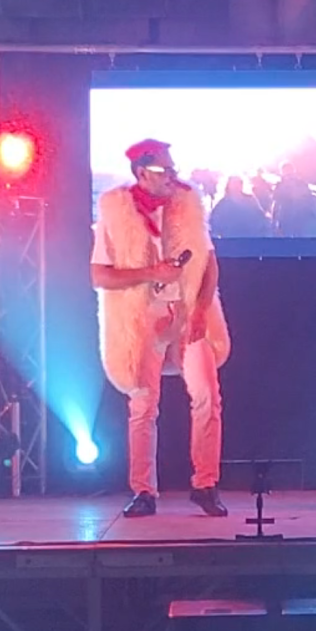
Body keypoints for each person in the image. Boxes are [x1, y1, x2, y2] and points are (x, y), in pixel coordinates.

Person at [91, 139, 231, 518]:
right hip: (144, 317)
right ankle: (143, 491)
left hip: (187, 312)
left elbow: (209, 265)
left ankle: (205, 484)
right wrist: (151, 273)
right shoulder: (116, 213)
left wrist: (200, 311)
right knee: (143, 404)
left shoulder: (188, 205)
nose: (172, 175)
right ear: (142, 173)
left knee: (207, 395)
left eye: (173, 169)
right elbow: (100, 276)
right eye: (163, 170)